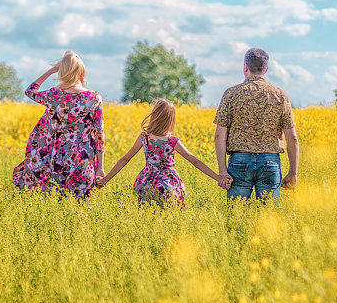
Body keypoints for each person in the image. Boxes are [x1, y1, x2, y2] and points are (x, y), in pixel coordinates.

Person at [96, 98, 225, 206]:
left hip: (145, 183)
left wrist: (105, 180)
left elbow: (124, 159)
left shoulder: (144, 137)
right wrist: (218, 177)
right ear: (171, 119)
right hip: (168, 184)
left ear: (154, 116)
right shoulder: (172, 141)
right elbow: (195, 161)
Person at [12, 51, 105, 199]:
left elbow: (30, 91)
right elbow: (99, 135)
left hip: (56, 161)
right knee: (82, 209)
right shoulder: (94, 98)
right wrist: (100, 167)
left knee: (56, 206)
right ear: (82, 72)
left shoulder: (54, 95)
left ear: (62, 71)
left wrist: (51, 70)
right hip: (83, 162)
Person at [214, 48, 299, 200]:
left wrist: (222, 171)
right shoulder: (280, 95)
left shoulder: (231, 94)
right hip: (270, 162)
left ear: (245, 67)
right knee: (268, 218)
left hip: (239, 161)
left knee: (237, 215)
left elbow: (219, 134)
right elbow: (292, 138)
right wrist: (293, 173)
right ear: (266, 69)